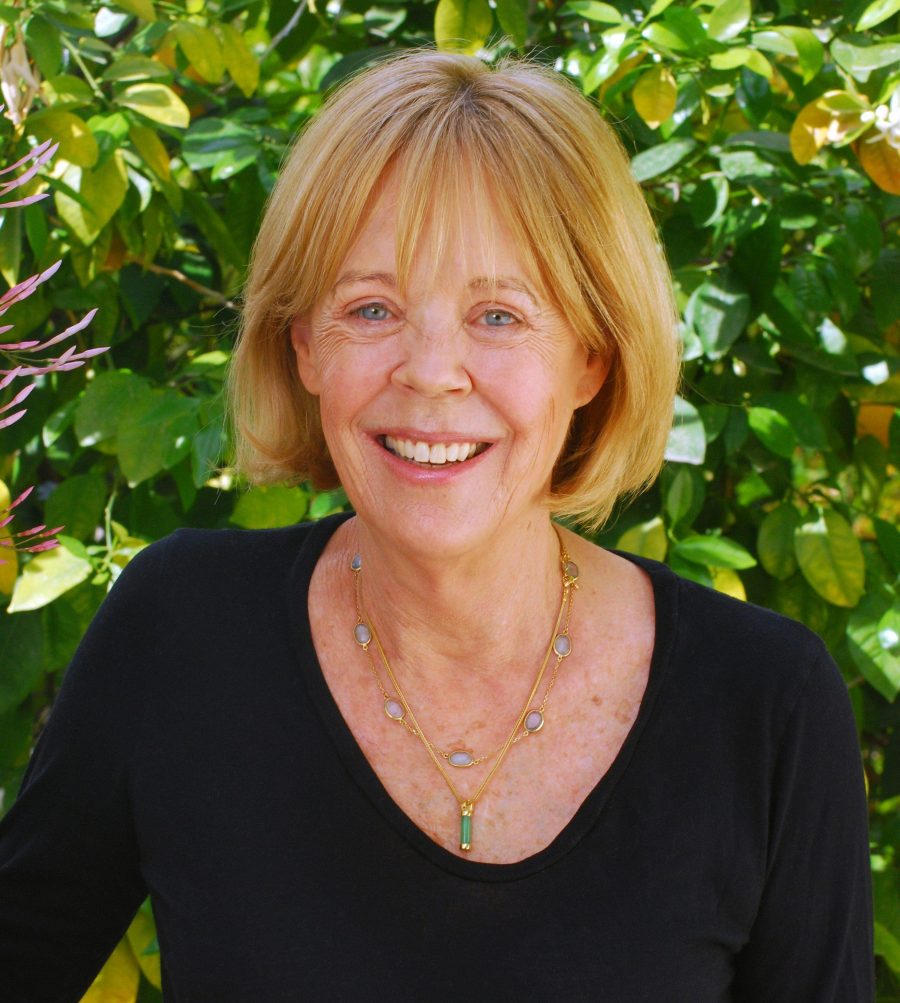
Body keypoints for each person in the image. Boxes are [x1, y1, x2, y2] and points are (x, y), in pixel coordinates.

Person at [0, 51, 873, 1002]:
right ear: (303, 347)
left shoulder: (765, 708)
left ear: (591, 357)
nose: (430, 371)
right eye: (371, 308)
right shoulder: (178, 632)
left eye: (498, 316)